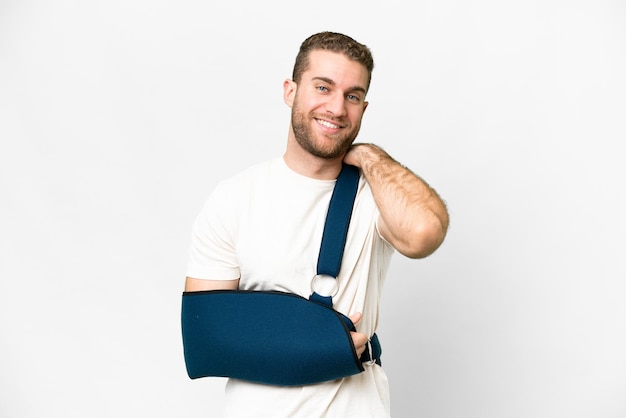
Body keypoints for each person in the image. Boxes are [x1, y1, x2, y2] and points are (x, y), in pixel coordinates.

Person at [184, 31, 449, 418]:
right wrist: (320, 347)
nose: (337, 108)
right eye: (323, 87)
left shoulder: (374, 196)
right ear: (291, 91)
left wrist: (372, 158)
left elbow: (424, 234)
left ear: (364, 106)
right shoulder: (234, 198)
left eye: (352, 96)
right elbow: (207, 337)